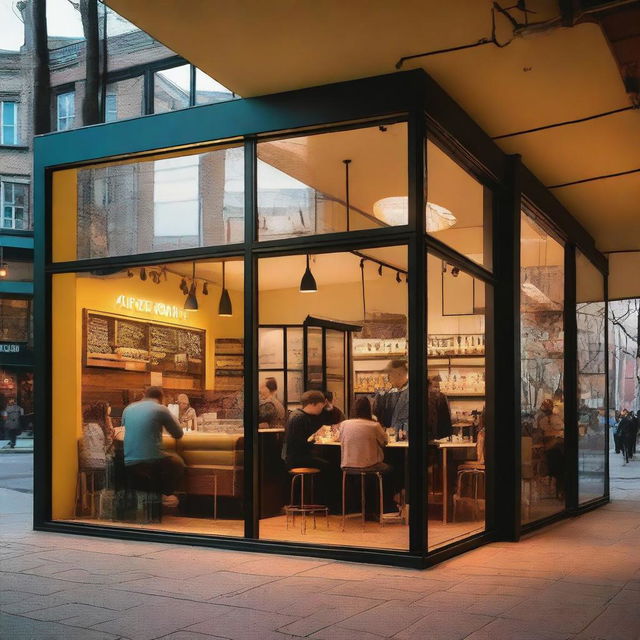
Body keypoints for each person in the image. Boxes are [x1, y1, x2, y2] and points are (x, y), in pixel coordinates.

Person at [122, 386, 185, 506]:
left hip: (127, 460)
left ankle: (153, 495)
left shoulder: (128, 409)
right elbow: (178, 434)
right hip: (151, 461)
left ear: (145, 395)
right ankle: (164, 496)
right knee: (177, 463)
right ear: (161, 398)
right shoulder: (160, 409)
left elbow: (124, 429)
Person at [339, 396, 389, 472]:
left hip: (347, 465)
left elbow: (340, 439)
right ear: (369, 410)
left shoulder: (343, 424)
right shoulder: (374, 425)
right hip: (371, 465)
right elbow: (384, 442)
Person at [281, 390, 327, 470]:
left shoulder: (296, 414)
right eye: (321, 405)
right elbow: (299, 443)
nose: (322, 408)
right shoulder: (300, 418)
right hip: (297, 459)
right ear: (313, 404)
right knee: (330, 466)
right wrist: (316, 437)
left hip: (291, 457)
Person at [373, 360, 409, 439]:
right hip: (391, 441)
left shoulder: (412, 392)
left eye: (390, 374)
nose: (388, 377)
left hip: (407, 441)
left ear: (399, 374)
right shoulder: (387, 394)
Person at [80, 401, 114, 469]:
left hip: (83, 460)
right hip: (99, 461)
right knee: (111, 459)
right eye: (107, 415)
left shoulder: (86, 426)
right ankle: (107, 480)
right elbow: (108, 443)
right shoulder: (102, 427)